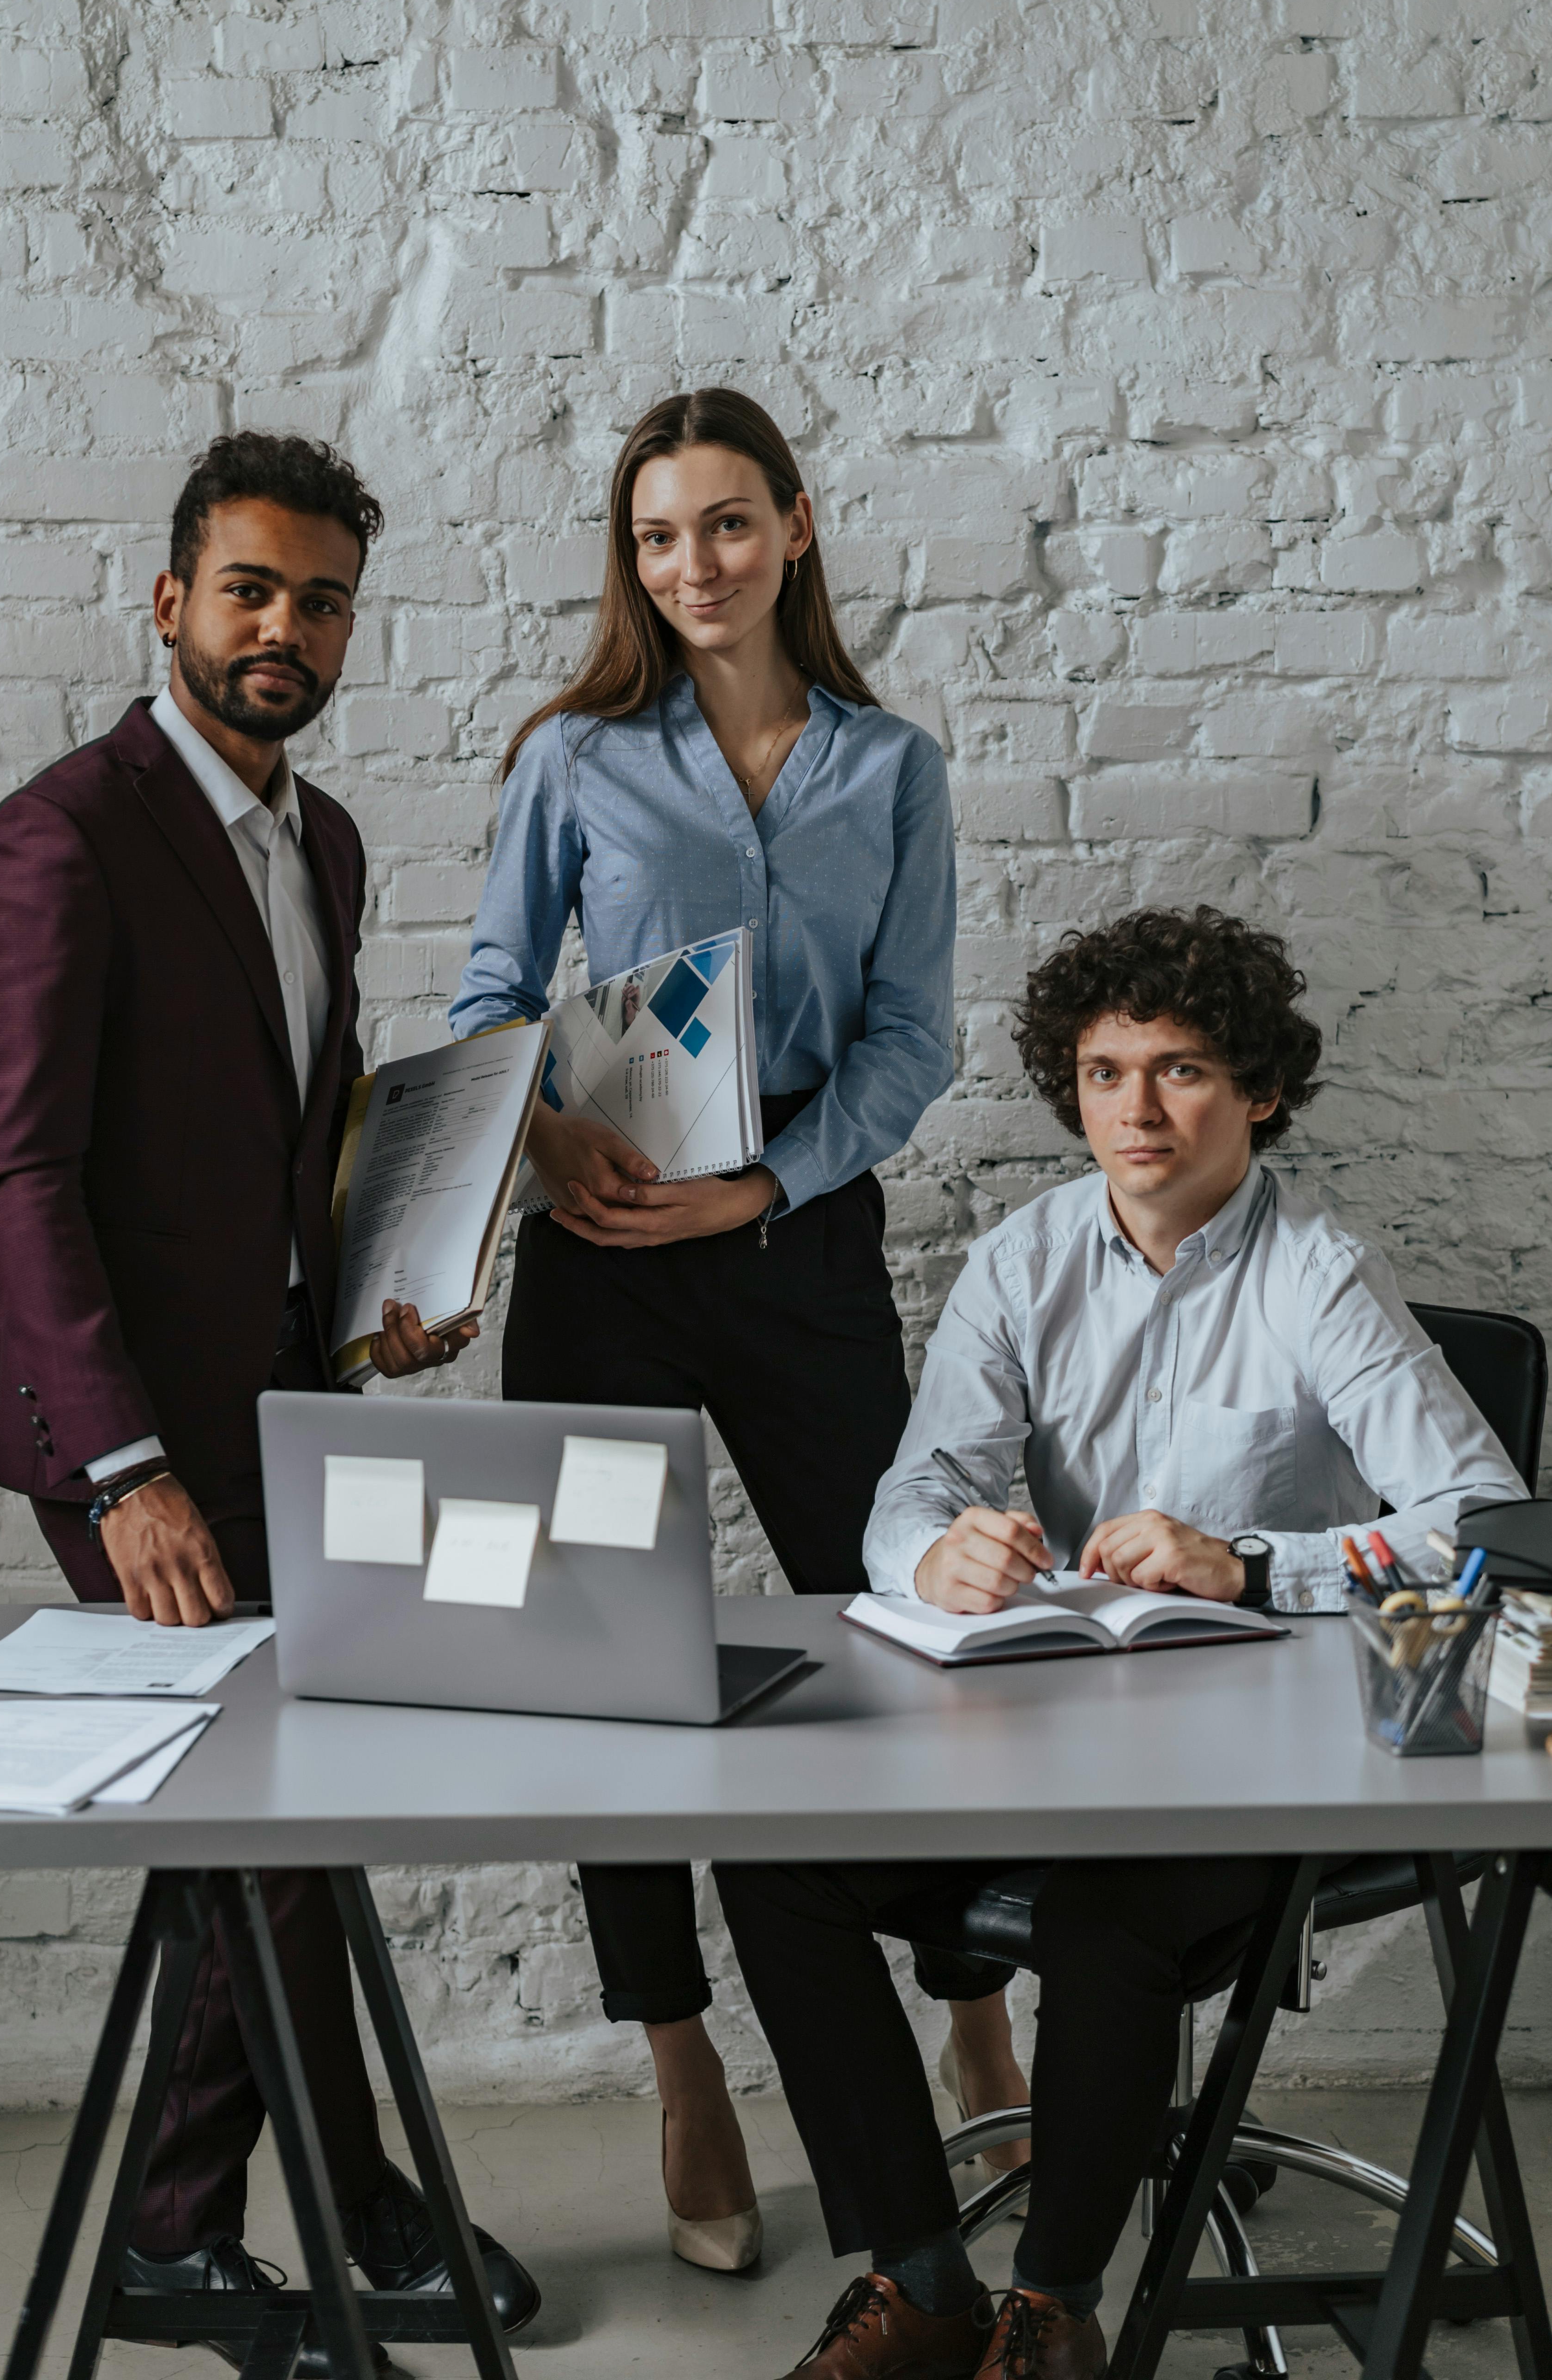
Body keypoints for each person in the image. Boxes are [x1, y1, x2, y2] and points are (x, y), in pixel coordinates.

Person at [713, 904, 1530, 2380]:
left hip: (1278, 1761)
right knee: (776, 1858)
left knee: (1107, 1913)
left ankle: (1055, 2306)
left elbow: (1485, 1518)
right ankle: (919, 2281)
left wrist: (1253, 1561)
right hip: (1065, 1729)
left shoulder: (1318, 1274)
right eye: (1104, 1073)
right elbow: (914, 1491)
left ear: (1259, 1092)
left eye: (1182, 1071)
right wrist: (933, 1550)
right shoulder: (1026, 1261)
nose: (1137, 1110)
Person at [0, 430, 538, 2371]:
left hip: (289, 1402)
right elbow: (22, 1178)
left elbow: (295, 1139)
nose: (285, 628)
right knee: (268, 1833)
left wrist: (382, 1299)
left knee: (281, 1826)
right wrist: (126, 1472)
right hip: (126, 1435)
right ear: (171, 599)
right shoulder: (66, 835)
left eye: (322, 600)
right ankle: (280, 2217)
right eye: (251, 589)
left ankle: (239, 2221)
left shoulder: (329, 841)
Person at [449, 387, 1023, 2269]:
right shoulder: (573, 759)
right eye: (652, 537)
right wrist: (544, 1136)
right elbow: (490, 996)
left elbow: (911, 1040)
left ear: (792, 524)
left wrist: (760, 1190)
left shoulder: (892, 769)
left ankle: (968, 2005)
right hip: (603, 1251)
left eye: (721, 525)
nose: (689, 565)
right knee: (613, 1668)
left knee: (899, 1621)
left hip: (798, 1233)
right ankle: (683, 2066)